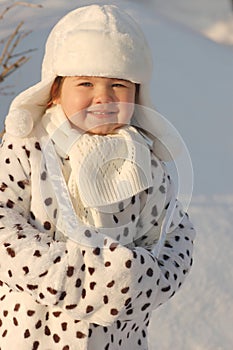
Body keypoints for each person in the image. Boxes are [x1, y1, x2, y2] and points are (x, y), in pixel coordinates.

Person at [0, 4, 196, 350]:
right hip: (31, 335)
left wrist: (135, 277)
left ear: (137, 94)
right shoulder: (28, 145)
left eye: (118, 84)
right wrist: (72, 277)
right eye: (86, 82)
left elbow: (173, 232)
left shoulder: (143, 158)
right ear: (56, 90)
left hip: (118, 338)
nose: (103, 97)